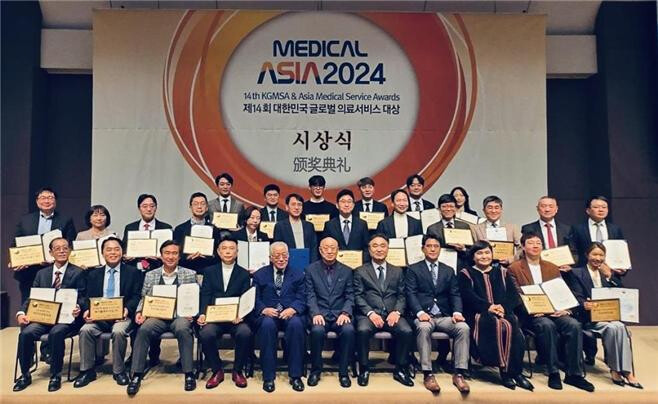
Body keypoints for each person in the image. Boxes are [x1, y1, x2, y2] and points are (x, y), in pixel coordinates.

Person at [507, 233, 594, 391]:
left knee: (573, 325)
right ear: (523, 247)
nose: (535, 246)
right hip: (532, 314)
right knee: (547, 325)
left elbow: (561, 291)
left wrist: (565, 308)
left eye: (538, 243)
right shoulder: (514, 268)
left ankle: (574, 374)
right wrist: (534, 309)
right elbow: (516, 295)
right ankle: (553, 372)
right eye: (531, 243)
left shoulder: (552, 267)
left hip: (554, 310)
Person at [13, 237, 86, 392]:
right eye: (57, 248)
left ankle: (55, 375)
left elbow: (83, 297)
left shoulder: (78, 272)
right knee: (26, 333)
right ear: (51, 252)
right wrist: (21, 312)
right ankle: (25, 374)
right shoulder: (41, 273)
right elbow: (32, 297)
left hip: (66, 319)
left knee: (56, 332)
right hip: (43, 318)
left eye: (65, 248)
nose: (62, 251)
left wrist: (78, 307)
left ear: (70, 251)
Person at [457, 241, 533, 391]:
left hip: (503, 311)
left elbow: (513, 295)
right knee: (496, 325)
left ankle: (516, 372)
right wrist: (489, 307)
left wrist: (502, 307)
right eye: (479, 253)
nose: (484, 256)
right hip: (478, 313)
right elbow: (468, 296)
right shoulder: (466, 273)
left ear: (492, 254)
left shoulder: (503, 272)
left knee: (513, 326)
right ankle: (504, 372)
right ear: (473, 257)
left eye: (487, 252)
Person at [126, 241, 197, 395]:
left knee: (183, 329)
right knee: (144, 329)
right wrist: (139, 311)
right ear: (161, 255)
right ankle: (136, 374)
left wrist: (193, 312)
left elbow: (194, 298)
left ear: (179, 256)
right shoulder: (151, 275)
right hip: (157, 316)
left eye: (174, 253)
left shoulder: (189, 274)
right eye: (167, 253)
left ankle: (189, 373)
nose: (171, 257)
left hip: (180, 316)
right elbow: (144, 297)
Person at [569, 242, 642, 389]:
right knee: (613, 328)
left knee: (620, 327)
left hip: (609, 316)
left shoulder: (607, 274)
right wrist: (584, 304)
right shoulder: (577, 273)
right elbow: (576, 296)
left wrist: (609, 276)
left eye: (601, 255)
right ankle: (617, 370)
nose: (598, 258)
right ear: (587, 255)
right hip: (589, 318)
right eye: (594, 254)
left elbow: (622, 293)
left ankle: (625, 371)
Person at [73, 237, 142, 388]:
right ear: (102, 253)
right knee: (85, 330)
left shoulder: (133, 272)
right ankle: (87, 371)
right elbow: (85, 296)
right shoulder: (93, 274)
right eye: (109, 250)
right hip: (99, 317)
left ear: (122, 252)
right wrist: (87, 310)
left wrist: (127, 309)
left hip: (122, 317)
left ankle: (119, 371)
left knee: (118, 331)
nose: (113, 253)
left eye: (117, 249)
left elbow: (137, 296)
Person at [405, 234, 470, 393]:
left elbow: (455, 294)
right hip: (424, 315)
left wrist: (457, 312)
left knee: (463, 328)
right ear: (423, 249)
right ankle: (428, 373)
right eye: (429, 246)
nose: (433, 249)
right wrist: (419, 312)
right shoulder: (413, 269)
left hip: (444, 316)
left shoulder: (448, 270)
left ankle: (459, 373)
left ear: (440, 249)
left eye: (436, 246)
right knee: (423, 328)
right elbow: (410, 294)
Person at [353, 234, 414, 387]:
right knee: (362, 330)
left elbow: (402, 295)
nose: (379, 249)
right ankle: (364, 368)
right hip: (369, 315)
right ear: (369, 249)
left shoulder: (398, 271)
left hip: (392, 314)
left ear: (388, 249)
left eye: (383, 246)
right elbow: (358, 296)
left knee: (406, 331)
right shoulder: (360, 271)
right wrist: (371, 313)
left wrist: (397, 312)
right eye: (375, 246)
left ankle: (400, 368)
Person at [197, 237, 252, 389]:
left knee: (245, 332)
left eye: (232, 248)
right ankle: (217, 370)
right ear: (218, 252)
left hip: (235, 319)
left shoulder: (243, 273)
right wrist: (203, 313)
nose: (228, 252)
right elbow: (205, 294)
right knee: (206, 333)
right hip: (215, 318)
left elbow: (246, 298)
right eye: (224, 248)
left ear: (237, 252)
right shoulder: (209, 271)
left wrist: (241, 315)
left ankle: (238, 371)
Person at [252, 242, 307, 393]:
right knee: (267, 326)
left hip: (290, 313)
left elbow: (302, 297)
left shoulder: (298, 274)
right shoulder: (260, 274)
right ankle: (268, 377)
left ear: (289, 256)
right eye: (277, 256)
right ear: (270, 257)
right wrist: (264, 309)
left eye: (284, 255)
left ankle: (295, 376)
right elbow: (254, 298)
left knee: (296, 325)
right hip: (269, 314)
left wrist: (293, 309)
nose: (281, 259)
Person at [305, 237, 355, 388]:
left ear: (338, 250)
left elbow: (350, 295)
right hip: (319, 314)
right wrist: (315, 313)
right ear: (320, 250)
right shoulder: (310, 270)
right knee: (317, 331)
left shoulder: (347, 271)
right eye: (326, 248)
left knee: (348, 330)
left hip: (340, 314)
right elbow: (310, 295)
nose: (329, 251)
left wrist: (345, 313)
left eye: (333, 248)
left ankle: (343, 372)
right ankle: (315, 370)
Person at [12, 187, 76, 303]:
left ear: (55, 201)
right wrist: (16, 260)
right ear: (37, 201)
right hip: (29, 271)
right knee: (29, 303)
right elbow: (15, 243)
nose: (47, 201)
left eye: (50, 198)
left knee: (54, 302)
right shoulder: (25, 220)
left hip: (55, 269)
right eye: (43, 198)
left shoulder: (65, 220)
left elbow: (70, 243)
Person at [570, 196, 625, 270]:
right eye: (596, 207)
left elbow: (620, 251)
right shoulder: (578, 229)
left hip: (609, 271)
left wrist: (622, 268)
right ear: (588, 210)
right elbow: (573, 251)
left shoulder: (615, 229)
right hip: (585, 272)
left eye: (604, 207)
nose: (601, 210)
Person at [521, 196, 575, 271]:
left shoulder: (566, 229)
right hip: (538, 269)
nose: (547, 209)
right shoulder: (528, 229)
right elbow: (526, 251)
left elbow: (573, 251)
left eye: (551, 206)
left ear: (556, 209)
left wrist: (569, 264)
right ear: (537, 209)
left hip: (563, 271)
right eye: (543, 206)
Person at [122, 194, 172, 272]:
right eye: (145, 206)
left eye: (152, 206)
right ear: (139, 208)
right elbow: (124, 250)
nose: (149, 209)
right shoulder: (130, 228)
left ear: (156, 208)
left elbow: (171, 251)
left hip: (158, 270)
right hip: (134, 270)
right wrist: (125, 256)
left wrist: (162, 257)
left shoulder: (166, 228)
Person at [173, 192, 220, 273]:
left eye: (202, 204)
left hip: (208, 271)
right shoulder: (180, 229)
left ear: (207, 207)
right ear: (190, 207)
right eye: (195, 204)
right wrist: (187, 257)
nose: (199, 207)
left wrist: (209, 255)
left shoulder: (214, 229)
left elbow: (218, 254)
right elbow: (175, 253)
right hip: (186, 271)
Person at [426, 194, 474, 269]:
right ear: (439, 209)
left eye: (451, 206)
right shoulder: (432, 229)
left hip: (462, 265)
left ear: (456, 208)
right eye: (444, 206)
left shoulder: (464, 226)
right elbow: (430, 250)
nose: (448, 209)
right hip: (441, 266)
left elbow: (472, 251)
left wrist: (463, 249)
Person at [322, 189, 370, 262]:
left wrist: (361, 263)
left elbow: (366, 247)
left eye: (349, 202)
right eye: (343, 202)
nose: (346, 205)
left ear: (353, 205)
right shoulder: (329, 225)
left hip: (358, 265)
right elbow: (325, 247)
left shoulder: (362, 224)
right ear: (337, 205)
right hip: (336, 265)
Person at [473, 195, 522, 265]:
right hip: (484, 267)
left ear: (501, 210)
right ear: (484, 210)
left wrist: (512, 259)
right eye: (490, 208)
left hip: (508, 267)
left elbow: (521, 247)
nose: (493, 211)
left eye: (497, 208)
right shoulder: (476, 229)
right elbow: (473, 250)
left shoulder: (512, 227)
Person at [273, 193, 318, 263]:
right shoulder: (280, 226)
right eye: (293, 204)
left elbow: (314, 248)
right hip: (287, 264)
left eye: (299, 205)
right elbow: (277, 249)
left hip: (308, 264)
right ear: (287, 207)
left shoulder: (309, 226)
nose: (296, 207)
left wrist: (313, 265)